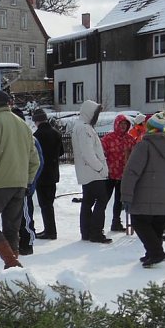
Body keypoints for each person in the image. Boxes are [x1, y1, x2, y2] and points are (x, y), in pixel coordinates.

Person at [0, 90, 40, 268]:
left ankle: (11, 262)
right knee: (12, 228)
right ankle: (13, 269)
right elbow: (34, 160)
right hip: (19, 184)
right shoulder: (23, 126)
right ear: (9, 103)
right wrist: (28, 181)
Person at [121, 113, 165, 268]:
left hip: (145, 194)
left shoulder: (144, 145)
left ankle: (156, 253)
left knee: (139, 222)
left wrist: (126, 195)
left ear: (149, 128)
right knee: (157, 224)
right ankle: (152, 253)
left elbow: (132, 172)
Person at [71, 100, 112, 243]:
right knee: (102, 200)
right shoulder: (85, 128)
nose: (97, 116)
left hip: (87, 173)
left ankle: (87, 232)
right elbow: (88, 153)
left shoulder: (80, 126)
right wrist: (101, 168)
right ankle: (96, 233)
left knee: (88, 201)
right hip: (93, 173)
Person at [101, 114, 137, 232]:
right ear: (116, 124)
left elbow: (134, 154)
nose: (123, 126)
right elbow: (101, 154)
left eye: (125, 124)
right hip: (110, 174)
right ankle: (97, 223)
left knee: (119, 200)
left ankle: (116, 222)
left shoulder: (130, 139)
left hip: (123, 175)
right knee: (104, 199)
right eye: (121, 124)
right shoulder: (108, 138)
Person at [32, 108, 64, 240]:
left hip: (41, 174)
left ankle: (50, 231)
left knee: (44, 204)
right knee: (49, 203)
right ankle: (50, 229)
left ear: (36, 121)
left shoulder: (36, 136)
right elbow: (61, 152)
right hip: (53, 173)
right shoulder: (56, 133)